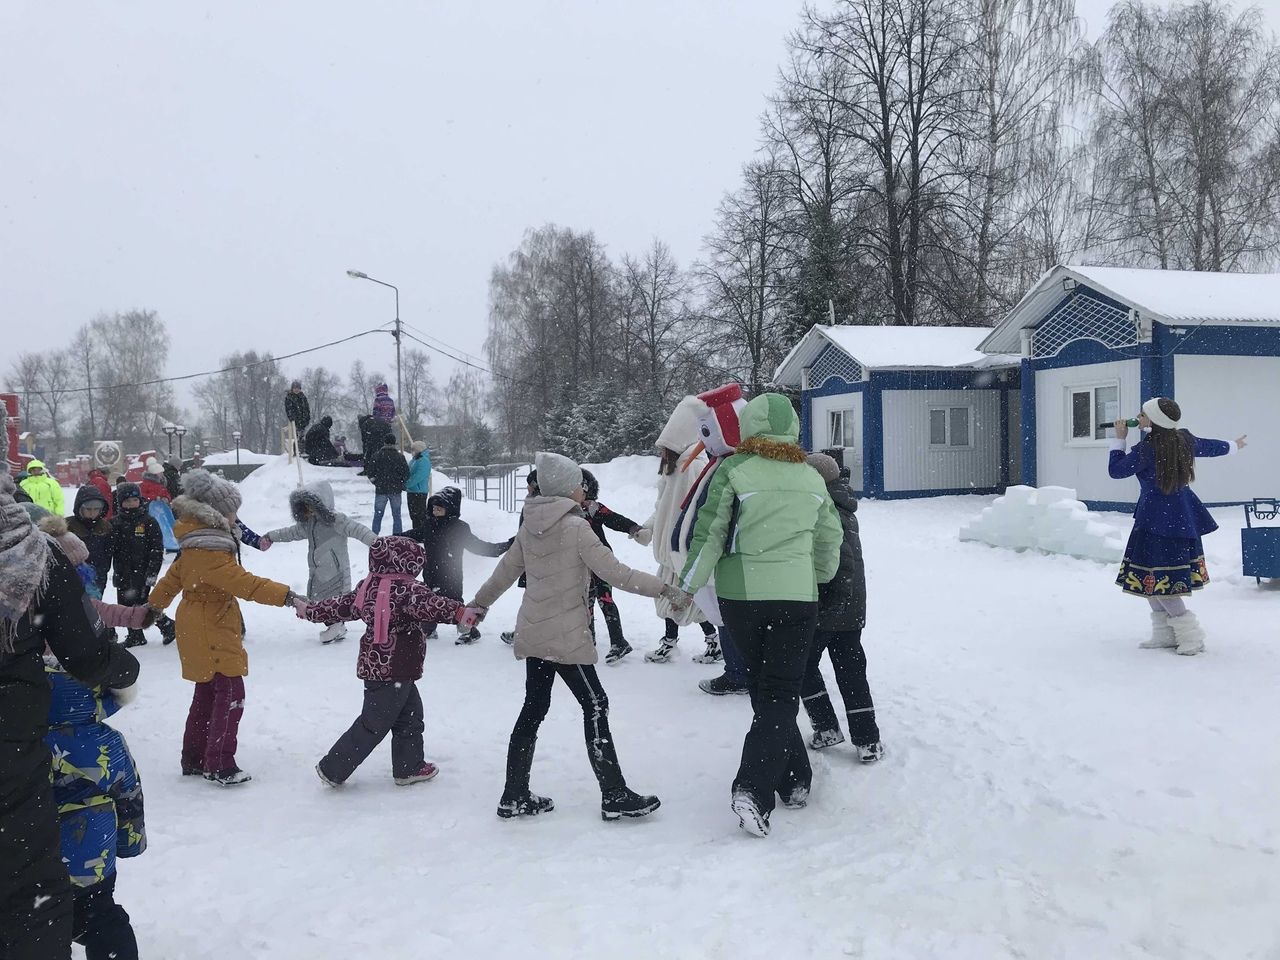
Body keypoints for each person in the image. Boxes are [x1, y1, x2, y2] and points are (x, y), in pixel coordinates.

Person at [469, 451, 688, 822]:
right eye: (578, 484)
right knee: (596, 704)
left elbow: (504, 574)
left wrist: (477, 605)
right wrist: (665, 589)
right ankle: (614, 794)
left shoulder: (530, 525)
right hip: (567, 637)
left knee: (533, 709)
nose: (582, 489)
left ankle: (514, 793)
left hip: (536, 633)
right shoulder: (575, 528)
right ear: (566, 489)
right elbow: (617, 572)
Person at [1, 427, 140, 960]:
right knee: (26, 894)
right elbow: (86, 649)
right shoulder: (24, 548)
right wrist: (122, 673)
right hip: (12, 740)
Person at [679, 393, 843, 838]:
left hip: (743, 598)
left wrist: (687, 586)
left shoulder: (735, 470)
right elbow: (830, 537)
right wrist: (818, 576)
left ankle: (781, 781)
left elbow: (709, 532)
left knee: (765, 690)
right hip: (796, 598)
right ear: (792, 429)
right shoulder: (810, 476)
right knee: (780, 691)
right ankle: (771, 783)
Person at [145, 470, 306, 785]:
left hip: (201, 625)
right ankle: (219, 763)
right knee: (231, 695)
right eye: (233, 510)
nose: (237, 516)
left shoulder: (196, 545)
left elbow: (171, 580)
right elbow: (244, 583)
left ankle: (194, 758)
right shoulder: (209, 551)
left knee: (206, 694)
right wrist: (288, 596)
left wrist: (153, 607)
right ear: (216, 513)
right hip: (211, 628)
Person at [305, 537, 468, 787]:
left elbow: (341, 605)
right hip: (395, 668)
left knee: (410, 717)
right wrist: (459, 612)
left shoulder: (368, 585)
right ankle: (333, 768)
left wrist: (311, 611)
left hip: (380, 665)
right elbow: (431, 605)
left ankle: (409, 767)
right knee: (373, 724)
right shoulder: (407, 589)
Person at [1109, 398, 1246, 656]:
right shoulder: (1183, 439)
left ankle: (1190, 636)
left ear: (1153, 421)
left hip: (1156, 520)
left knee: (1162, 580)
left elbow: (1116, 471)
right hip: (1179, 517)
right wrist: (1233, 446)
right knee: (1151, 579)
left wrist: (1119, 439)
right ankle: (1164, 634)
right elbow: (1210, 446)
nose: (1138, 417)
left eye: (1143, 414)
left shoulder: (1145, 450)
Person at [45, 629, 147, 960]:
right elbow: (128, 795)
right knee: (101, 918)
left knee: (35, 925)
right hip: (93, 860)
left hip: (28, 859)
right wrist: (130, 842)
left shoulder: (18, 740)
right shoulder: (107, 743)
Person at [799, 454, 882, 762]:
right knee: (852, 673)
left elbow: (839, 561)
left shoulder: (824, 508)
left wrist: (827, 605)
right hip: (852, 608)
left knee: (803, 666)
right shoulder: (843, 503)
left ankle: (826, 726)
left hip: (829, 604)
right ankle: (868, 741)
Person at [262, 481, 376, 644]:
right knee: (319, 601)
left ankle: (337, 626)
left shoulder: (337, 521)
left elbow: (359, 530)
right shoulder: (309, 524)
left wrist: (378, 543)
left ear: (321, 504)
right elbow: (291, 532)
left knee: (336, 600)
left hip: (336, 571)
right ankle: (336, 626)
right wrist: (271, 536)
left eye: (311, 507)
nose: (308, 512)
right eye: (305, 508)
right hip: (318, 572)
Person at [406, 486, 511, 643]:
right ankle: (428, 629)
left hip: (450, 576)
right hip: (430, 573)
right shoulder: (429, 525)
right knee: (428, 602)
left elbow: (482, 547)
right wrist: (390, 538)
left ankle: (470, 631)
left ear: (450, 508)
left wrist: (509, 544)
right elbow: (411, 535)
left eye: (439, 507)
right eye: (433, 507)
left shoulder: (459, 528)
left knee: (454, 606)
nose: (435, 510)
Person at [578, 468, 652, 665]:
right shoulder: (567, 511)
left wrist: (634, 528)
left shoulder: (594, 508)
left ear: (586, 489)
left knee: (605, 598)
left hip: (602, 561)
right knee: (586, 601)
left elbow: (615, 519)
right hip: (580, 563)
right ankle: (588, 639)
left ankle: (619, 642)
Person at [110, 482, 176, 647]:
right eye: (127, 501)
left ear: (140, 500)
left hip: (142, 572)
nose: (131, 504)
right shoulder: (115, 523)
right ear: (120, 502)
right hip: (122, 572)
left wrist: (152, 571)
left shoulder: (148, 522)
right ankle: (136, 634)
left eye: (134, 500)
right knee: (125, 605)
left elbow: (156, 548)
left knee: (143, 604)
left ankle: (166, 625)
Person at [68, 483, 115, 598]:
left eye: (96, 509)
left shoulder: (106, 527)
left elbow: (108, 553)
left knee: (94, 610)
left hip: (98, 576)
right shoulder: (68, 526)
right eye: (88, 509)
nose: (92, 513)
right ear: (80, 508)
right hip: (72, 576)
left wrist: (102, 571)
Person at [365, 440, 409, 536]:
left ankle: (374, 536)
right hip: (395, 490)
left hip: (381, 490)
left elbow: (370, 472)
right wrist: (400, 483)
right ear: (394, 443)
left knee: (378, 514)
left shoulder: (377, 455)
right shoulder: (400, 457)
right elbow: (406, 473)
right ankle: (397, 536)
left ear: (384, 443)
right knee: (397, 515)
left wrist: (376, 482)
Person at [406, 441, 433, 531]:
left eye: (414, 449)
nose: (412, 451)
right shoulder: (414, 460)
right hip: (412, 491)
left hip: (419, 491)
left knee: (420, 516)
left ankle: (422, 533)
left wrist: (407, 484)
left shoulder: (423, 461)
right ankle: (417, 532)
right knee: (414, 516)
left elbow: (418, 476)